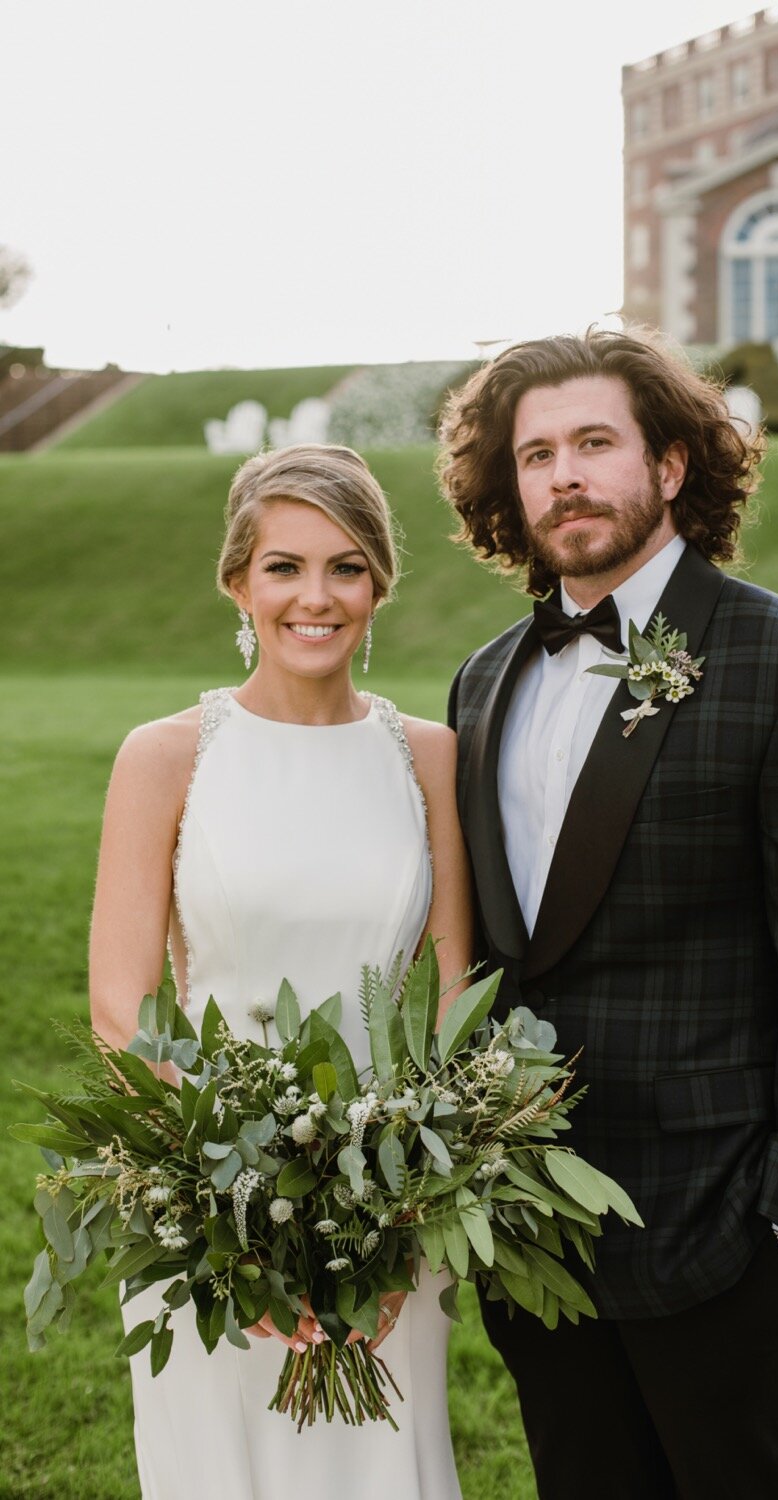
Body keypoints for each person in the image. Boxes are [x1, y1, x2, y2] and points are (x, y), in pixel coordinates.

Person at [439, 327, 778, 1500]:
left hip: (720, 1227)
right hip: (531, 1222)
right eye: (536, 453)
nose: (564, 476)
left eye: (594, 442)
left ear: (674, 466)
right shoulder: (483, 679)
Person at [90, 443, 471, 1500]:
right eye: (284, 567)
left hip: (396, 1199)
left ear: (380, 584)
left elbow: (450, 998)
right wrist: (229, 1221)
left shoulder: (428, 755)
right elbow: (123, 1007)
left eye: (346, 567)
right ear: (237, 581)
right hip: (206, 1200)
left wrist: (398, 1218)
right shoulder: (167, 755)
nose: (316, 597)